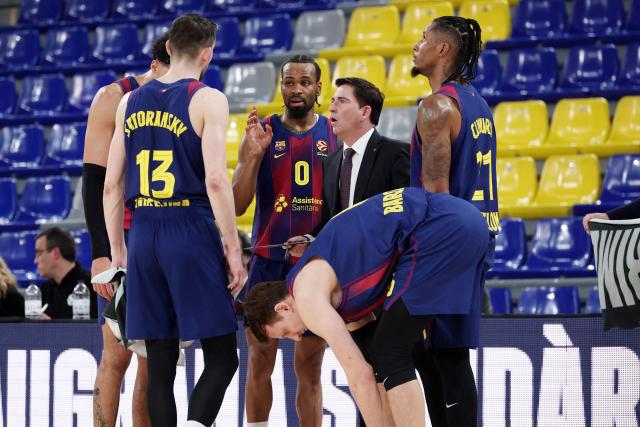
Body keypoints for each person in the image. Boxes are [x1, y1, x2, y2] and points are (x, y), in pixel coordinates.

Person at [244, 188, 491, 427]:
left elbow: (359, 375)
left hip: (439, 230)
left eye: (286, 332)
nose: (297, 338)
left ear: (283, 309)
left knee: (390, 352)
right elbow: (370, 364)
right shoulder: (324, 286)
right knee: (437, 353)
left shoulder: (307, 296)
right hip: (466, 223)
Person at [103, 13, 245, 427]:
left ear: (167, 47)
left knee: (161, 362)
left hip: (144, 232)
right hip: (190, 226)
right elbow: (217, 181)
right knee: (222, 355)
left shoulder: (130, 101)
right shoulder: (207, 98)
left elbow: (111, 187)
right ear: (207, 53)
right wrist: (233, 251)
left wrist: (118, 252)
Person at [289, 76, 409, 427]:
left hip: (387, 286)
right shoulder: (332, 162)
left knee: (393, 370)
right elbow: (332, 224)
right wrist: (311, 241)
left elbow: (407, 216)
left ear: (365, 111)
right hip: (353, 294)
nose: (332, 107)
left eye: (342, 101)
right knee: (363, 371)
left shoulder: (394, 153)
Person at [232, 54, 338, 427]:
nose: (296, 89)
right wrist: (252, 157)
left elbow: (344, 205)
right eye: (289, 82)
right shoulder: (262, 132)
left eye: (304, 82)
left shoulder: (334, 133)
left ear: (318, 89)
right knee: (260, 360)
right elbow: (238, 203)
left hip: (314, 264)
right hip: (266, 261)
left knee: (310, 366)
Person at [410, 16, 499, 426]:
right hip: (479, 234)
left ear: (443, 50)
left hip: (449, 242)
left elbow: (437, 195)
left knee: (441, 356)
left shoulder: (436, 106)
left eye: (425, 39)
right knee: (441, 354)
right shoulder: (477, 103)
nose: (417, 45)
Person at [82, 34, 170, 427]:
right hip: (126, 236)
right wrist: (101, 253)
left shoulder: (188, 96)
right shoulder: (114, 97)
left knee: (154, 356)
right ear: (154, 66)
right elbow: (94, 180)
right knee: (116, 354)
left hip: (165, 236)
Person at [34, 227, 97, 319]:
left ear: (55, 253)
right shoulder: (45, 289)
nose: (35, 261)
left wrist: (51, 326)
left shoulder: (91, 285)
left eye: (39, 253)